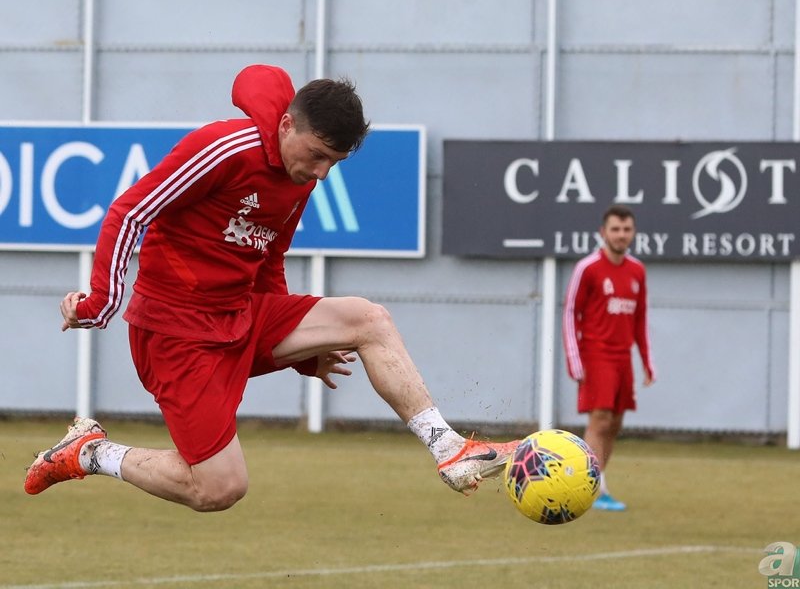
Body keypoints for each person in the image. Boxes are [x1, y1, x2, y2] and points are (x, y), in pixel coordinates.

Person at [25, 64, 519, 511]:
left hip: (240, 314)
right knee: (219, 489)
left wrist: (304, 351)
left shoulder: (300, 176)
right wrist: (101, 300)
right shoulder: (223, 147)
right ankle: (90, 453)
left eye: (334, 163)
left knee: (369, 320)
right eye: (318, 155)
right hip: (176, 333)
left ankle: (449, 449)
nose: (322, 173)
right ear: (287, 126)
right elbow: (131, 211)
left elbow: (269, 261)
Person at [562, 204, 655, 512]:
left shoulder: (637, 270)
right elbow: (570, 313)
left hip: (622, 359)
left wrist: (646, 362)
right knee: (599, 419)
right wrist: (574, 360)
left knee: (614, 423)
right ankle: (592, 487)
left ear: (633, 233)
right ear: (603, 233)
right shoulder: (588, 268)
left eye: (626, 229)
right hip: (595, 354)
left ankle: (596, 481)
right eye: (615, 229)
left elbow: (640, 319)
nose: (621, 235)